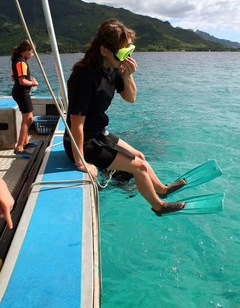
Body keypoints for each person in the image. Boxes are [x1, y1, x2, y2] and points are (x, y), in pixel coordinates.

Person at [64, 18, 186, 215]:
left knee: (140, 156)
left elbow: (131, 98)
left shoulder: (113, 69)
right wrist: (81, 162)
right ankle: (158, 206)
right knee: (138, 167)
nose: (127, 56)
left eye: (130, 50)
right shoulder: (83, 77)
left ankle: (162, 190)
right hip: (81, 143)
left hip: (99, 134)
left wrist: (128, 76)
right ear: (104, 50)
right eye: (123, 52)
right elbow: (76, 125)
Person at [11, 39, 38, 157]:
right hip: (22, 92)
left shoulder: (17, 60)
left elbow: (14, 78)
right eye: (32, 51)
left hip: (18, 91)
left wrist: (29, 78)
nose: (33, 54)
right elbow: (22, 81)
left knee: (26, 118)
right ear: (27, 51)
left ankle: (26, 142)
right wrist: (33, 83)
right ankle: (19, 147)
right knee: (28, 119)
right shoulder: (21, 62)